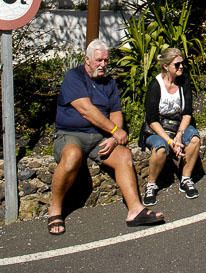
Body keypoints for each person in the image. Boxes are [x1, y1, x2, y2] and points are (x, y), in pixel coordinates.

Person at [47, 39, 164, 235]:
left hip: (99, 137)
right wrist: (115, 130)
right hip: (71, 134)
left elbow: (115, 112)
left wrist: (114, 136)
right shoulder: (73, 77)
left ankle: (135, 209)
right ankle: (55, 208)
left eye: (106, 61)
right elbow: (86, 110)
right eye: (98, 60)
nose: (103, 65)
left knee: (124, 156)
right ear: (87, 59)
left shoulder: (109, 83)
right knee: (72, 156)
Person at [141, 47, 201, 204]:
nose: (181, 67)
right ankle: (151, 184)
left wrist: (180, 135)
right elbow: (152, 119)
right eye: (177, 64)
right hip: (157, 128)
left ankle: (186, 178)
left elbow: (187, 112)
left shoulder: (183, 81)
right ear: (166, 66)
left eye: (182, 63)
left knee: (194, 139)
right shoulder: (156, 86)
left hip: (178, 125)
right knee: (161, 148)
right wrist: (170, 141)